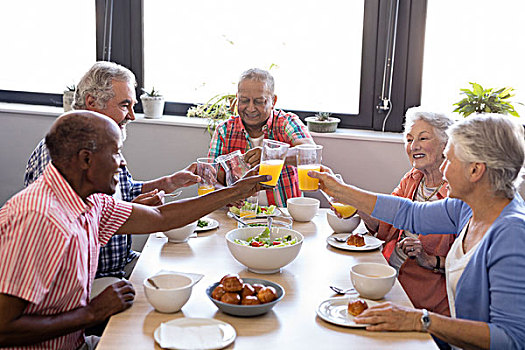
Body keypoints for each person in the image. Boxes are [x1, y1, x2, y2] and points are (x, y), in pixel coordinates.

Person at [0, 111, 268, 349]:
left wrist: (234, 191)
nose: (123, 164)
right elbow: (3, 328)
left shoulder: (89, 200)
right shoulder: (38, 218)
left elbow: (159, 216)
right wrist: (92, 313)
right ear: (86, 160)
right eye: (116, 153)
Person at [310, 114, 525, 349]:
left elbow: (511, 339)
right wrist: (340, 190)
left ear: (475, 170)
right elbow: (409, 213)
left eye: (450, 160)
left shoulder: (512, 234)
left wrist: (420, 320)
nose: (443, 168)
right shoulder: (468, 206)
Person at [24, 61, 200, 281]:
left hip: (121, 264)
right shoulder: (60, 155)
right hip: (90, 278)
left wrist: (168, 182)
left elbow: (121, 192)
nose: (132, 116)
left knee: (185, 274)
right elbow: (70, 227)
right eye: (125, 105)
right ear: (92, 102)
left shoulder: (104, 141)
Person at [358, 108, 455, 316]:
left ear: (445, 144)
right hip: (388, 277)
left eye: (423, 138)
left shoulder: (456, 193)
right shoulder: (412, 177)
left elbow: (470, 263)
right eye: (409, 139)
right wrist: (354, 203)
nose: (414, 146)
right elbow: (383, 225)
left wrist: (430, 260)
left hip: (424, 300)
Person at [208, 68, 315, 207]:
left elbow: (310, 153)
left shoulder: (286, 122)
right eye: (244, 100)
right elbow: (210, 179)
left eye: (259, 101)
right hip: (238, 217)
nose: (251, 108)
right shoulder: (224, 131)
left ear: (273, 101)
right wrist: (226, 194)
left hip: (285, 216)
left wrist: (271, 155)